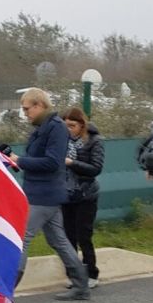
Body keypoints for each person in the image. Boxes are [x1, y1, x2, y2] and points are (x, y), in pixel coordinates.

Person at [5, 88, 91, 300]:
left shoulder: (56, 128)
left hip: (44, 195)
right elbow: (40, 160)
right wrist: (13, 161)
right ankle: (82, 285)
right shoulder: (44, 127)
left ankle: (6, 290)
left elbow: (53, 162)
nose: (25, 113)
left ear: (39, 105)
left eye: (27, 109)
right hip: (44, 193)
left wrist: (19, 160)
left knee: (22, 238)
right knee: (58, 240)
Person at [61, 107, 104, 287]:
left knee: (83, 235)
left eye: (72, 125)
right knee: (68, 236)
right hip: (66, 193)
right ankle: (75, 275)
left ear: (81, 125)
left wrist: (72, 163)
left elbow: (96, 168)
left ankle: (91, 273)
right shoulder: (61, 141)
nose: (68, 129)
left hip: (86, 194)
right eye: (65, 125)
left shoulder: (94, 141)